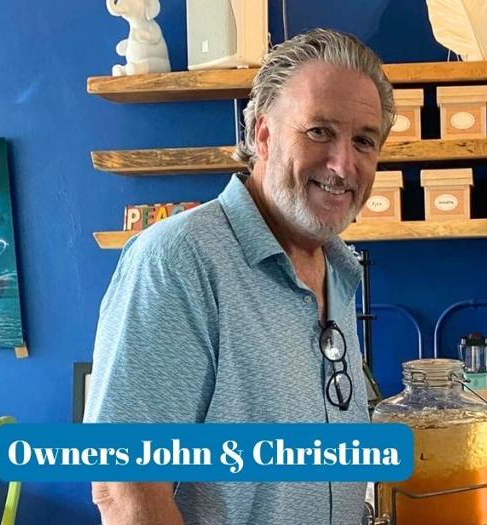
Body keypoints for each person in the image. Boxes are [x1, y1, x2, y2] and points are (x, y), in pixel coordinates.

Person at [84, 28, 396, 525]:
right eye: (319, 131)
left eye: (364, 141)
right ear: (262, 135)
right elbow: (124, 487)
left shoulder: (337, 269)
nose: (343, 165)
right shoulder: (178, 260)